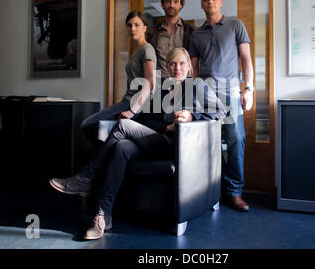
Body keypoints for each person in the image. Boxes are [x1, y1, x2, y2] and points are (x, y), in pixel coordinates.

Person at [49, 47, 226, 240]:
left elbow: (221, 111)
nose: (177, 68)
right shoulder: (162, 90)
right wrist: (167, 127)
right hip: (157, 140)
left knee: (123, 125)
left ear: (189, 66)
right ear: (167, 66)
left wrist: (192, 115)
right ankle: (103, 215)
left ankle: (86, 176)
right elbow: (147, 121)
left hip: (179, 148)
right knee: (121, 147)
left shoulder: (198, 86)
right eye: (173, 64)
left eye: (182, 63)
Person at [188, 0, 254, 212]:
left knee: (235, 139)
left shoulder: (235, 25)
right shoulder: (196, 34)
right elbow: (194, 69)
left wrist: (250, 89)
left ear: (221, 1)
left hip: (231, 91)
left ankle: (234, 192)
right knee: (207, 142)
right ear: (202, 4)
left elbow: (246, 58)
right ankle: (209, 191)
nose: (210, 2)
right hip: (205, 93)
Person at [81, 11, 156, 147]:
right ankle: (107, 157)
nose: (132, 28)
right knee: (103, 131)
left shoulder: (147, 49)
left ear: (145, 27)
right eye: (129, 25)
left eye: (136, 25)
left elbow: (150, 83)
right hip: (127, 101)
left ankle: (103, 158)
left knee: (88, 124)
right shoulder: (136, 50)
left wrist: (133, 110)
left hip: (135, 104)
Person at [147, 0, 196, 78]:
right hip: (159, 86)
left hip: (183, 85)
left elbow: (195, 61)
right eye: (168, 1)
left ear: (181, 4)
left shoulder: (191, 31)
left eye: (175, 1)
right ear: (162, 4)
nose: (171, 5)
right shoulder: (151, 32)